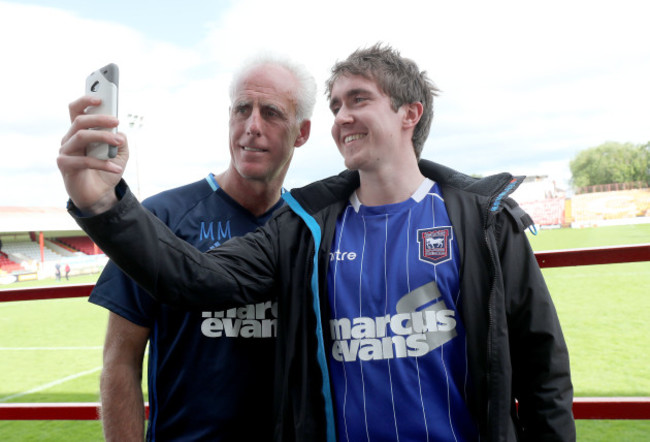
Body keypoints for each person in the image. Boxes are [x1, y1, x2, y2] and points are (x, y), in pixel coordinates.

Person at [58, 44, 575, 441]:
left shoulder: (482, 219)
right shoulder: (308, 227)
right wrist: (105, 204)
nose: (343, 117)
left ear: (409, 113)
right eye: (335, 105)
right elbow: (194, 277)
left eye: (358, 100)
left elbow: (542, 366)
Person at [80, 55, 315, 441]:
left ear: (301, 132)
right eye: (242, 109)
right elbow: (119, 361)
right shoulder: (157, 219)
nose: (252, 126)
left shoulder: (310, 230)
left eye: (271, 113)